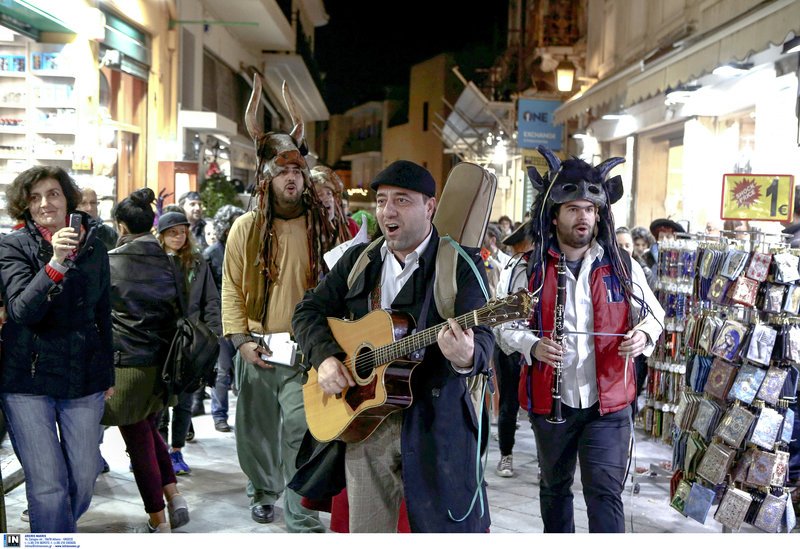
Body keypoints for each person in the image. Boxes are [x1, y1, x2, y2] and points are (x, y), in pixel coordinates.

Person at [292, 160, 494, 532]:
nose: (387, 211)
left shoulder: (459, 264)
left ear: (429, 207)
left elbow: (484, 339)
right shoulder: (359, 260)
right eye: (382, 201)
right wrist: (325, 359)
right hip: (366, 421)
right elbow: (307, 312)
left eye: (402, 200)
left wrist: (467, 356)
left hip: (435, 423)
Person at [512, 146, 664, 533]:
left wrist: (642, 335)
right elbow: (502, 325)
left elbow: (655, 315)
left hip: (608, 404)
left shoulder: (621, 264)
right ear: (555, 213)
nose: (583, 217)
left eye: (590, 209)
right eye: (574, 209)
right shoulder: (528, 267)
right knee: (555, 488)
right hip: (551, 400)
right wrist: (532, 345)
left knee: (605, 493)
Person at [220, 80, 332, 531]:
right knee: (256, 433)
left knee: (301, 430)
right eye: (283, 171)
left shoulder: (321, 228)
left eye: (298, 171)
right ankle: (263, 491)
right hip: (258, 350)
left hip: (306, 352)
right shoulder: (246, 228)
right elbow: (230, 288)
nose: (292, 178)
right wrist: (241, 340)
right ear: (266, 177)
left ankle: (300, 511)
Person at [0, 166, 114, 533]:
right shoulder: (11, 246)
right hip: (26, 380)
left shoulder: (95, 246)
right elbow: (21, 310)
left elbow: (102, 311)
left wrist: (107, 372)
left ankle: (56, 531)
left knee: (84, 474)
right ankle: (54, 540)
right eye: (35, 198)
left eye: (52, 194)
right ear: (25, 206)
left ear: (68, 199)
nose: (44, 203)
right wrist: (55, 263)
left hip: (84, 374)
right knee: (48, 483)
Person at [102, 188, 189, 533]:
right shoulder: (170, 262)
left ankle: (158, 519)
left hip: (127, 367)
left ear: (121, 226)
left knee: (137, 440)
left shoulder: (111, 262)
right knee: (148, 429)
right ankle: (174, 494)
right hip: (164, 366)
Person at [155, 211, 221, 474]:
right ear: (161, 235)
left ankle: (176, 451)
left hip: (190, 341)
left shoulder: (197, 262)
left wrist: (213, 334)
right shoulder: (154, 261)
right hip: (161, 340)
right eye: (173, 232)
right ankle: (157, 452)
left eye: (182, 231)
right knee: (159, 401)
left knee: (183, 400)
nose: (179, 236)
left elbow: (211, 300)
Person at [493, 220, 534, 478]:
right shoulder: (511, 268)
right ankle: (505, 456)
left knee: (542, 407)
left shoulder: (549, 266)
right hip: (508, 346)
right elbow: (500, 309)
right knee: (509, 403)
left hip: (538, 344)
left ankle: (545, 462)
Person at [203, 205, 245, 432]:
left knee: (241, 370)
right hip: (220, 321)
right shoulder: (211, 255)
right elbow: (206, 292)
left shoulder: (244, 249)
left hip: (242, 319)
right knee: (222, 370)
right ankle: (219, 415)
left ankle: (242, 416)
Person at [310, 164, 358, 240]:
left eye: (329, 193)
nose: (327, 199)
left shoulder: (344, 228)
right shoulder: (306, 231)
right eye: (320, 195)